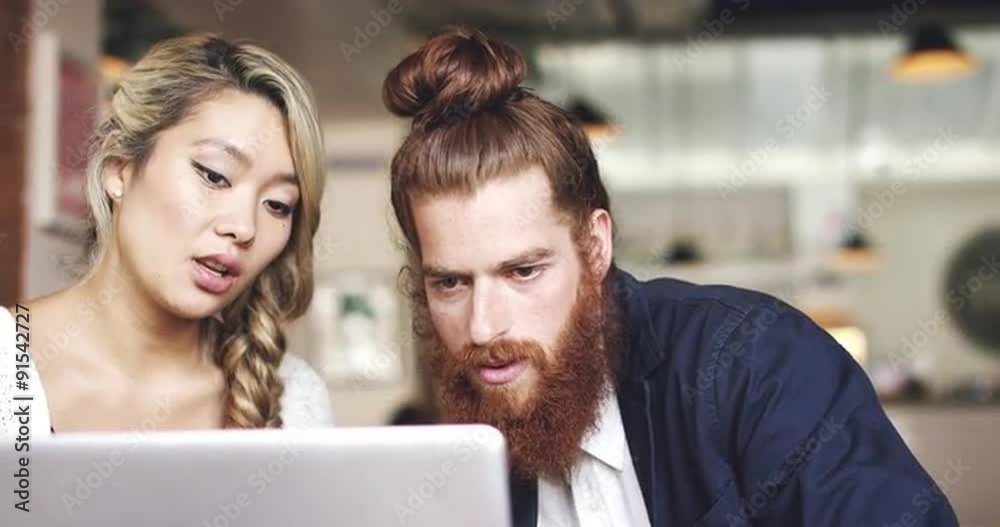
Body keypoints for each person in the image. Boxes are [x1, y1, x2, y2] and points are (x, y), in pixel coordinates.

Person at [381, 27, 958, 526]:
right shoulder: (468, 459)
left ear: (594, 247)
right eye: (450, 283)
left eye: (523, 271)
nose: (483, 327)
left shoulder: (755, 364)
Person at [1, 34, 333, 436]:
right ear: (119, 169)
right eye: (215, 175)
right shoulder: (7, 366)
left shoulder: (295, 400)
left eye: (278, 205)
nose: (244, 227)